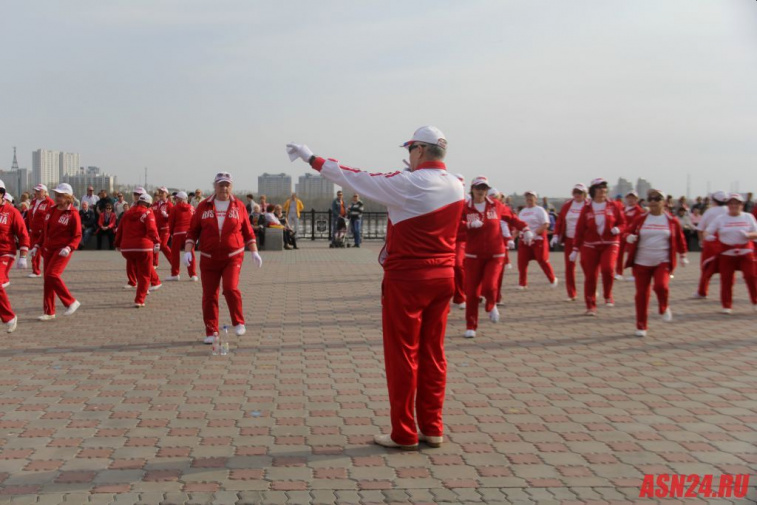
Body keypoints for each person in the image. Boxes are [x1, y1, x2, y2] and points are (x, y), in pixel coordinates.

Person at [287, 125, 464, 451]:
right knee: (434, 354)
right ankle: (433, 427)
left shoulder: (408, 183)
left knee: (403, 356)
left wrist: (312, 158)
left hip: (408, 278)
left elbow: (354, 177)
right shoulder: (457, 185)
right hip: (444, 277)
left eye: (410, 149)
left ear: (420, 151)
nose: (408, 155)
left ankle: (404, 433)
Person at [184, 172, 262, 342]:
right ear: (215, 186)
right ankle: (211, 332)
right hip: (208, 257)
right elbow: (193, 230)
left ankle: (238, 321)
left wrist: (254, 251)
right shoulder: (204, 206)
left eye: (227, 185)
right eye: (220, 185)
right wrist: (188, 250)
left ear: (231, 187)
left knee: (230, 288)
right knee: (209, 295)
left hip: (232, 256)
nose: (224, 188)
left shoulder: (239, 206)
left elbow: (248, 232)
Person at [464, 177, 531, 338]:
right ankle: (471, 325)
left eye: (484, 188)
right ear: (472, 189)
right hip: (473, 255)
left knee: (489, 286)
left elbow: (513, 219)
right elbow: (452, 226)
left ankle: (491, 304)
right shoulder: (465, 208)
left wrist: (526, 229)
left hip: (495, 254)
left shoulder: (496, 205)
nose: (481, 190)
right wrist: (468, 225)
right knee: (472, 293)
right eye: (478, 187)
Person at [624, 189, 688, 337]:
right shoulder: (641, 218)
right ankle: (641, 326)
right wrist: (628, 237)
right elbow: (627, 231)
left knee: (661, 286)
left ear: (664, 202)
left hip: (662, 261)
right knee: (641, 294)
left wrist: (683, 254)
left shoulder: (671, 220)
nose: (653, 202)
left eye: (657, 199)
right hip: (641, 262)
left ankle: (663, 306)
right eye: (650, 199)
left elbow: (680, 238)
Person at [570, 178, 626, 315]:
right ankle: (591, 305)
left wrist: (618, 229)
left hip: (610, 243)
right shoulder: (587, 208)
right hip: (590, 245)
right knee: (590, 276)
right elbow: (580, 230)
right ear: (593, 191)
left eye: (604, 188)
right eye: (599, 188)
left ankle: (608, 294)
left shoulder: (615, 206)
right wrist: (575, 249)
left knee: (607, 268)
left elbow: (624, 223)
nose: (602, 190)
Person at [29, 183, 82, 321]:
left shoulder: (73, 214)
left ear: (68, 197)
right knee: (47, 280)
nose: (57, 198)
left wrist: (69, 247)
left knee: (52, 275)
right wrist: (37, 245)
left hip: (62, 250)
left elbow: (77, 235)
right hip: (48, 249)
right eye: (56, 195)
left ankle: (70, 301)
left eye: (60, 195)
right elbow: (45, 231)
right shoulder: (51, 210)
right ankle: (49, 311)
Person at [704, 193, 757, 314]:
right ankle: (726, 305)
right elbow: (707, 231)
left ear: (741, 205)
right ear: (727, 205)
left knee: (751, 276)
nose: (734, 206)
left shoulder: (748, 217)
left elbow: (756, 233)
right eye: (731, 203)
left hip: (745, 252)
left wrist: (749, 235)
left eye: (736, 203)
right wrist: (709, 237)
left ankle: (755, 301)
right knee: (726, 279)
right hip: (727, 253)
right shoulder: (721, 218)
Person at [114, 193, 161, 307]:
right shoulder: (148, 213)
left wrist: (117, 244)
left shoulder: (127, 213)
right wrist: (157, 242)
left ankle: (145, 288)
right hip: (143, 247)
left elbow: (120, 229)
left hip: (127, 249)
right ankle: (139, 299)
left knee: (137, 269)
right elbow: (152, 230)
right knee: (145, 274)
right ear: (148, 203)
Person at [0, 180, 29, 332]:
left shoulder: (12, 212)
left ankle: (9, 317)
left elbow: (23, 234)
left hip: (6, 252)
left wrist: (23, 256)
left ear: (2, 194)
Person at [552, 183, 589, 301]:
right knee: (569, 266)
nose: (577, 195)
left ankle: (591, 289)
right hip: (569, 238)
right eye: (575, 192)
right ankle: (571, 293)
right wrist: (555, 235)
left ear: (585, 194)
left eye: (580, 193)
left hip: (585, 239)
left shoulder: (589, 205)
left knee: (587, 265)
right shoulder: (567, 205)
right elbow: (560, 221)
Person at [517, 191, 557, 290]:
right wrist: (512, 236)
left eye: (531, 197)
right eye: (527, 198)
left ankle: (552, 279)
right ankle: (523, 283)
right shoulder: (523, 211)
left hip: (538, 239)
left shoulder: (540, 210)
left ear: (535, 199)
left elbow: (545, 224)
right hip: (525, 240)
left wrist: (534, 233)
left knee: (542, 260)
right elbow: (518, 225)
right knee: (522, 262)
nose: (529, 199)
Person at [693, 191, 728, 299]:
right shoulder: (729, 210)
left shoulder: (710, 211)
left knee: (706, 269)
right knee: (728, 271)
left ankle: (702, 291)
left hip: (711, 242)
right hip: (727, 243)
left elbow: (700, 229)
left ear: (714, 201)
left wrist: (701, 242)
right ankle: (727, 295)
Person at [166, 192, 198, 282]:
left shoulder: (174, 208)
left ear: (180, 199)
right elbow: (195, 221)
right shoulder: (192, 208)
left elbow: (171, 222)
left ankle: (175, 274)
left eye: (176, 199)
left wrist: (171, 232)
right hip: (189, 234)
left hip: (177, 233)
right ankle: (193, 275)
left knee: (175, 254)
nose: (175, 200)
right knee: (191, 253)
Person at [26, 184, 55, 279]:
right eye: (36, 191)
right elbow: (29, 216)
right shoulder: (33, 202)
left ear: (45, 192)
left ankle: (52, 269)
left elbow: (53, 216)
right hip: (33, 231)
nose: (36, 193)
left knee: (45, 252)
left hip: (43, 232)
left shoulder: (49, 202)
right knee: (34, 252)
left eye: (39, 191)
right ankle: (36, 271)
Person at [615, 190, 644, 281]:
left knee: (633, 255)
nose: (631, 200)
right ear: (626, 199)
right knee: (619, 254)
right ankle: (619, 273)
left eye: (633, 198)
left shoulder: (638, 210)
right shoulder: (622, 209)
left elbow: (639, 222)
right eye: (629, 198)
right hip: (622, 234)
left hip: (632, 235)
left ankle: (635, 274)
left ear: (636, 199)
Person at [151, 187, 173, 268]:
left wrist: (167, 216)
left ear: (166, 194)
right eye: (159, 192)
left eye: (162, 192)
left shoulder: (169, 204)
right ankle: (154, 263)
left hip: (165, 228)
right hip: (156, 228)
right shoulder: (155, 204)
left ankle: (173, 262)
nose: (160, 194)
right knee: (155, 245)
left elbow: (173, 216)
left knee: (163, 245)